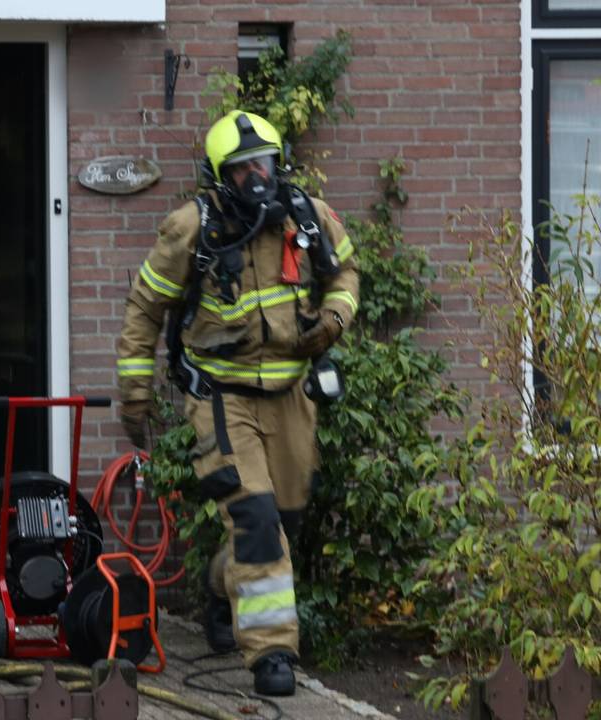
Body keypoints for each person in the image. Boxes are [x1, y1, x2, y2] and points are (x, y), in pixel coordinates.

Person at [116, 110, 359, 696]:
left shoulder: (308, 216)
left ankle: (222, 588)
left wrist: (335, 316)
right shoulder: (190, 229)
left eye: (265, 164)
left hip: (291, 395)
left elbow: (346, 270)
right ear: (220, 176)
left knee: (286, 518)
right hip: (222, 399)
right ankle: (272, 654)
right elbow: (146, 310)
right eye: (243, 168)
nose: (257, 177)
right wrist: (135, 395)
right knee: (253, 518)